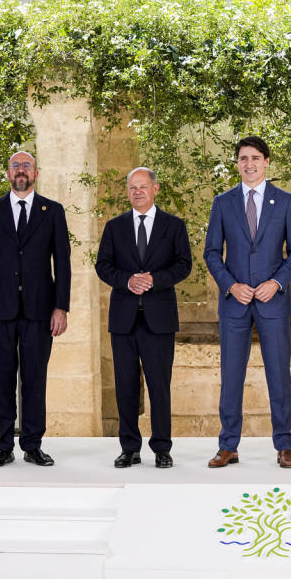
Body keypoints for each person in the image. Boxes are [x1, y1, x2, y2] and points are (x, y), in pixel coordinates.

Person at [203, 136, 291, 469]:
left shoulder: (286, 201)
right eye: (243, 158)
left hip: (271, 303)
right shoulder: (222, 202)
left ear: (266, 162)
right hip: (234, 304)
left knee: (279, 375)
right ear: (237, 163)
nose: (249, 164)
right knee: (231, 375)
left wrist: (276, 283)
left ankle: (284, 445)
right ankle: (228, 445)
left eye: (255, 158)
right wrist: (231, 286)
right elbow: (212, 252)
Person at [0, 151, 70, 467]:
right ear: (8, 174)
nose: (21, 171)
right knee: (1, 378)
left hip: (40, 312)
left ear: (35, 173)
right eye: (15, 166)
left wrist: (61, 307)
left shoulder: (52, 211)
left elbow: (63, 263)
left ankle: (32, 445)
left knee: (34, 380)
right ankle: (3, 445)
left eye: (26, 166)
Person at [95, 167, 192, 468]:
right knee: (125, 384)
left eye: (143, 186)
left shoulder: (173, 226)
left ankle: (162, 448)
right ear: (128, 192)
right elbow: (103, 266)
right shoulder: (114, 227)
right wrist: (127, 281)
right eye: (132, 187)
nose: (137, 191)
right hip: (123, 319)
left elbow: (183, 265)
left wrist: (154, 280)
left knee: (159, 385)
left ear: (155, 189)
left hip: (159, 319)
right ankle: (129, 448)